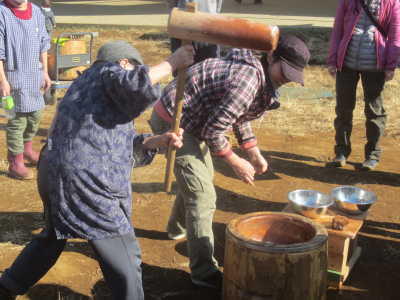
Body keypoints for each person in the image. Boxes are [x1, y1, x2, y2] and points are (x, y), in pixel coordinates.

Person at [0, 40, 194, 300]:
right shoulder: (107, 72)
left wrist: (157, 142)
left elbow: (114, 141)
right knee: (122, 250)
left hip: (56, 172)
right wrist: (173, 62)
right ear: (124, 63)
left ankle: (9, 285)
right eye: (135, 68)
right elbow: (134, 85)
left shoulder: (88, 87)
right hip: (85, 180)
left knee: (53, 236)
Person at [149, 34, 310, 289]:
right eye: (285, 71)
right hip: (175, 120)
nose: (287, 79)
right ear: (271, 58)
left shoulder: (259, 76)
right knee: (203, 197)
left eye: (293, 74)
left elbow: (239, 115)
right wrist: (236, 161)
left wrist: (253, 151)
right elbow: (214, 131)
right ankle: (203, 272)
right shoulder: (247, 81)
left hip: (196, 120)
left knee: (199, 180)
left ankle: (177, 227)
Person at [326, 0, 400, 171]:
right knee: (343, 110)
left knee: (374, 112)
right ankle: (341, 152)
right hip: (347, 63)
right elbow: (337, 30)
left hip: (376, 66)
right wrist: (332, 59)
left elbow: (396, 34)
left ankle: (372, 155)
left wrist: (391, 65)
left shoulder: (392, 2)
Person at [0, 0, 52, 180]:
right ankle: (15, 161)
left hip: (34, 75)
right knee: (16, 121)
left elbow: (44, 43)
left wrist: (45, 72)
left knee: (35, 115)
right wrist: (2, 81)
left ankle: (28, 150)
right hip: (12, 77)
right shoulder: (2, 13)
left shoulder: (37, 12)